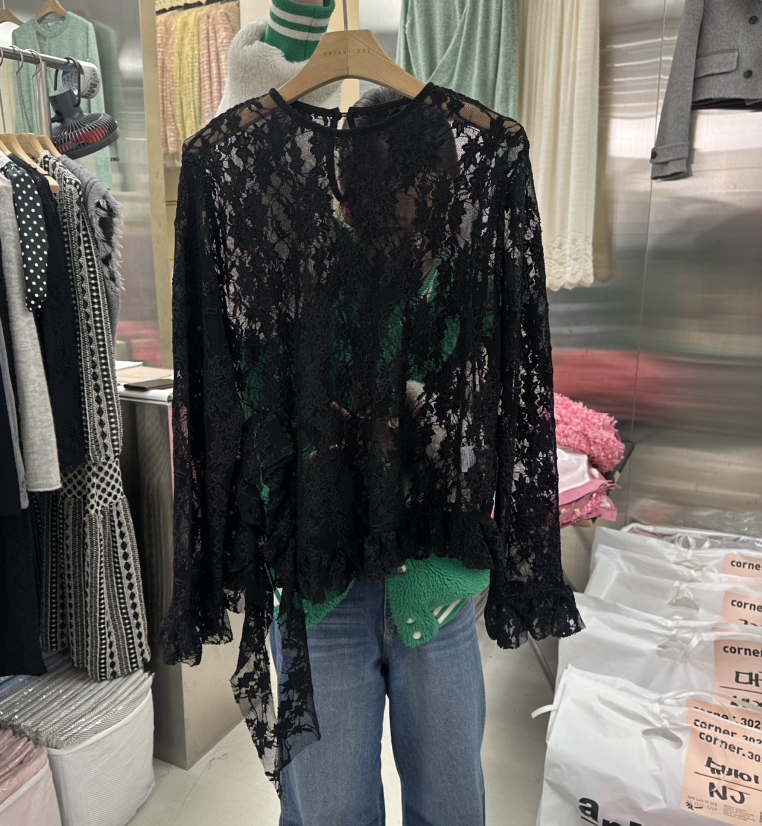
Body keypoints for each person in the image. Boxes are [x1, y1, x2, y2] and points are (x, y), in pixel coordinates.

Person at [218, 4, 490, 824]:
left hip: (435, 585)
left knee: (451, 804)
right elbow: (235, 175)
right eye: (380, 193)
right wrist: (283, 43)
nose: (403, 214)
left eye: (424, 196)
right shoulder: (297, 268)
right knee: (329, 809)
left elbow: (483, 429)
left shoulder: (466, 279)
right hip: (318, 589)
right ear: (342, 190)